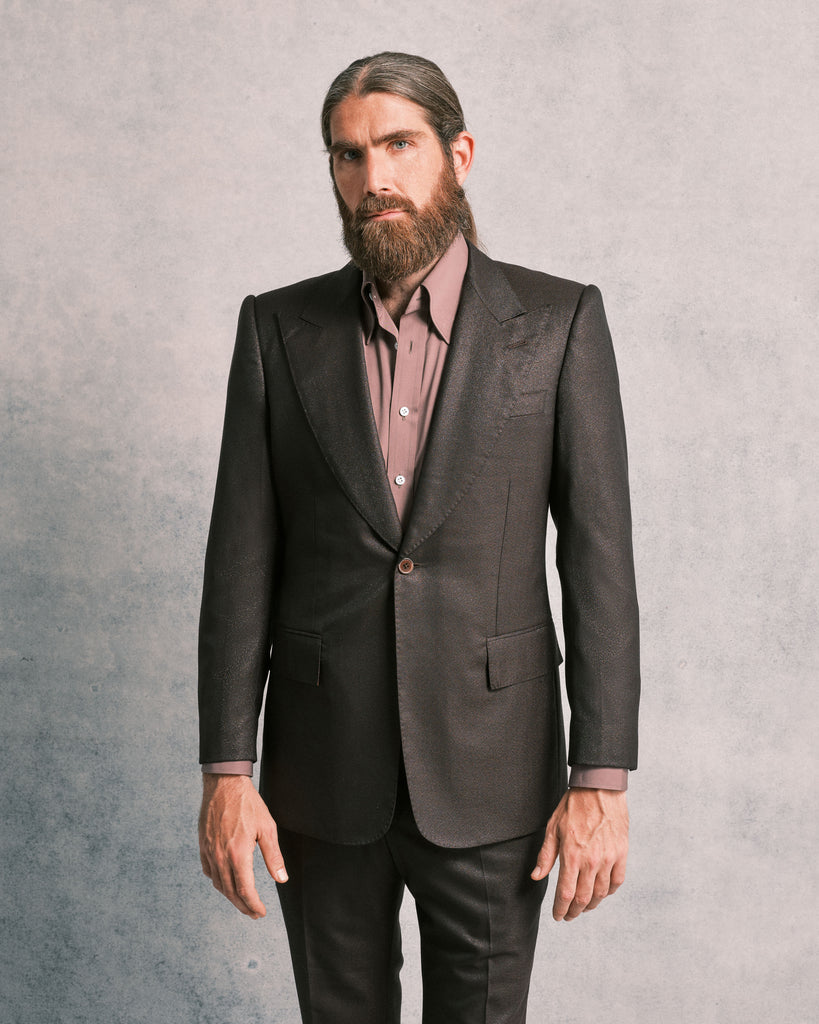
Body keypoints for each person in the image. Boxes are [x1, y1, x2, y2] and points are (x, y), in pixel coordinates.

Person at [198, 51, 640, 1024]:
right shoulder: (277, 329)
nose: (375, 177)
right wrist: (227, 770)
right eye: (349, 155)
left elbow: (599, 561)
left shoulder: (559, 322)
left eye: (398, 145)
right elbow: (239, 563)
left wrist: (600, 778)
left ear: (458, 154)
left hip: (495, 777)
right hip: (320, 777)